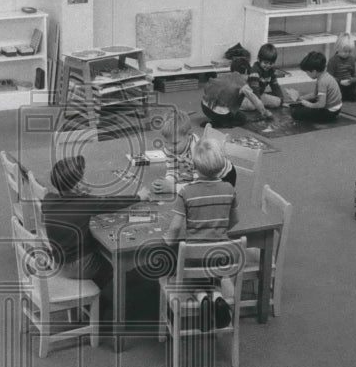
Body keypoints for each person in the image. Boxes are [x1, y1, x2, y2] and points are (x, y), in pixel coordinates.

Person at [162, 138, 240, 325]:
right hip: (221, 255)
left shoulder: (187, 192)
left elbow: (175, 227)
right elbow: (235, 220)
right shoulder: (229, 189)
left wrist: (168, 240)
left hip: (194, 258)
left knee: (186, 273)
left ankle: (201, 297)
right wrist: (221, 230)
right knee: (214, 273)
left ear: (195, 166)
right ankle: (216, 298)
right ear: (221, 166)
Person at [40, 155, 150, 283]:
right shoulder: (84, 202)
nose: (86, 179)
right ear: (77, 185)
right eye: (82, 178)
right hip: (78, 266)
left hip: (58, 262)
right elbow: (111, 203)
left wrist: (81, 195)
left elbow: (70, 206)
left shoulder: (48, 199)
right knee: (112, 264)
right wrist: (138, 197)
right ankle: (106, 296)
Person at [153, 109, 236, 195]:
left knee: (203, 195)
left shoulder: (197, 150)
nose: (170, 147)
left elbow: (199, 184)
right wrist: (168, 182)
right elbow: (173, 169)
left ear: (189, 135)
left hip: (224, 176)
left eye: (175, 143)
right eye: (166, 142)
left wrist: (173, 188)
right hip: (202, 175)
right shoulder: (170, 147)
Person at [200, 58, 271, 128]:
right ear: (246, 71)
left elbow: (207, 88)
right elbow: (255, 100)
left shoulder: (224, 76)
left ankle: (216, 120)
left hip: (204, 107)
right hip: (219, 114)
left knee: (229, 106)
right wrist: (264, 112)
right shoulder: (243, 84)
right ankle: (220, 123)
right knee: (242, 118)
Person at [289, 51, 343, 122]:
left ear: (314, 71)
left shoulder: (322, 81)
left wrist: (308, 104)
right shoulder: (324, 75)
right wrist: (300, 98)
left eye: (307, 72)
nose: (307, 74)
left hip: (330, 112)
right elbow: (315, 95)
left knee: (295, 113)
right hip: (335, 108)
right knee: (298, 104)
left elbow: (321, 104)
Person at [326, 33, 356, 102]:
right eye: (345, 51)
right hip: (338, 84)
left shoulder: (351, 59)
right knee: (335, 95)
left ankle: (343, 95)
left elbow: (353, 72)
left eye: (349, 51)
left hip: (349, 83)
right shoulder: (333, 60)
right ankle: (341, 95)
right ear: (337, 48)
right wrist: (340, 82)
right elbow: (329, 77)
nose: (347, 54)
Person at [247, 43, 285, 110]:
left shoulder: (271, 71)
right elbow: (254, 89)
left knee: (278, 102)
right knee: (252, 106)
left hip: (259, 95)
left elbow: (275, 86)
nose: (268, 66)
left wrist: (281, 100)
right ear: (259, 60)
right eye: (265, 63)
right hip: (248, 96)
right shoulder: (255, 71)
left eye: (271, 63)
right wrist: (259, 105)